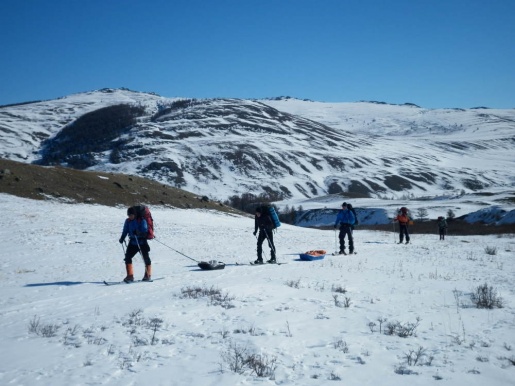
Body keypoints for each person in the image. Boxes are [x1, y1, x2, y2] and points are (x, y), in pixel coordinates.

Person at [119, 207, 152, 282]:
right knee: (127, 257)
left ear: (135, 214)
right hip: (133, 242)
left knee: (146, 258)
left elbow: (145, 232)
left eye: (131, 215)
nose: (130, 217)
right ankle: (130, 276)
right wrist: (122, 237)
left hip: (142, 242)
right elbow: (125, 230)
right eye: (129, 215)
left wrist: (139, 233)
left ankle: (147, 275)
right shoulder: (128, 221)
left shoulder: (142, 220)